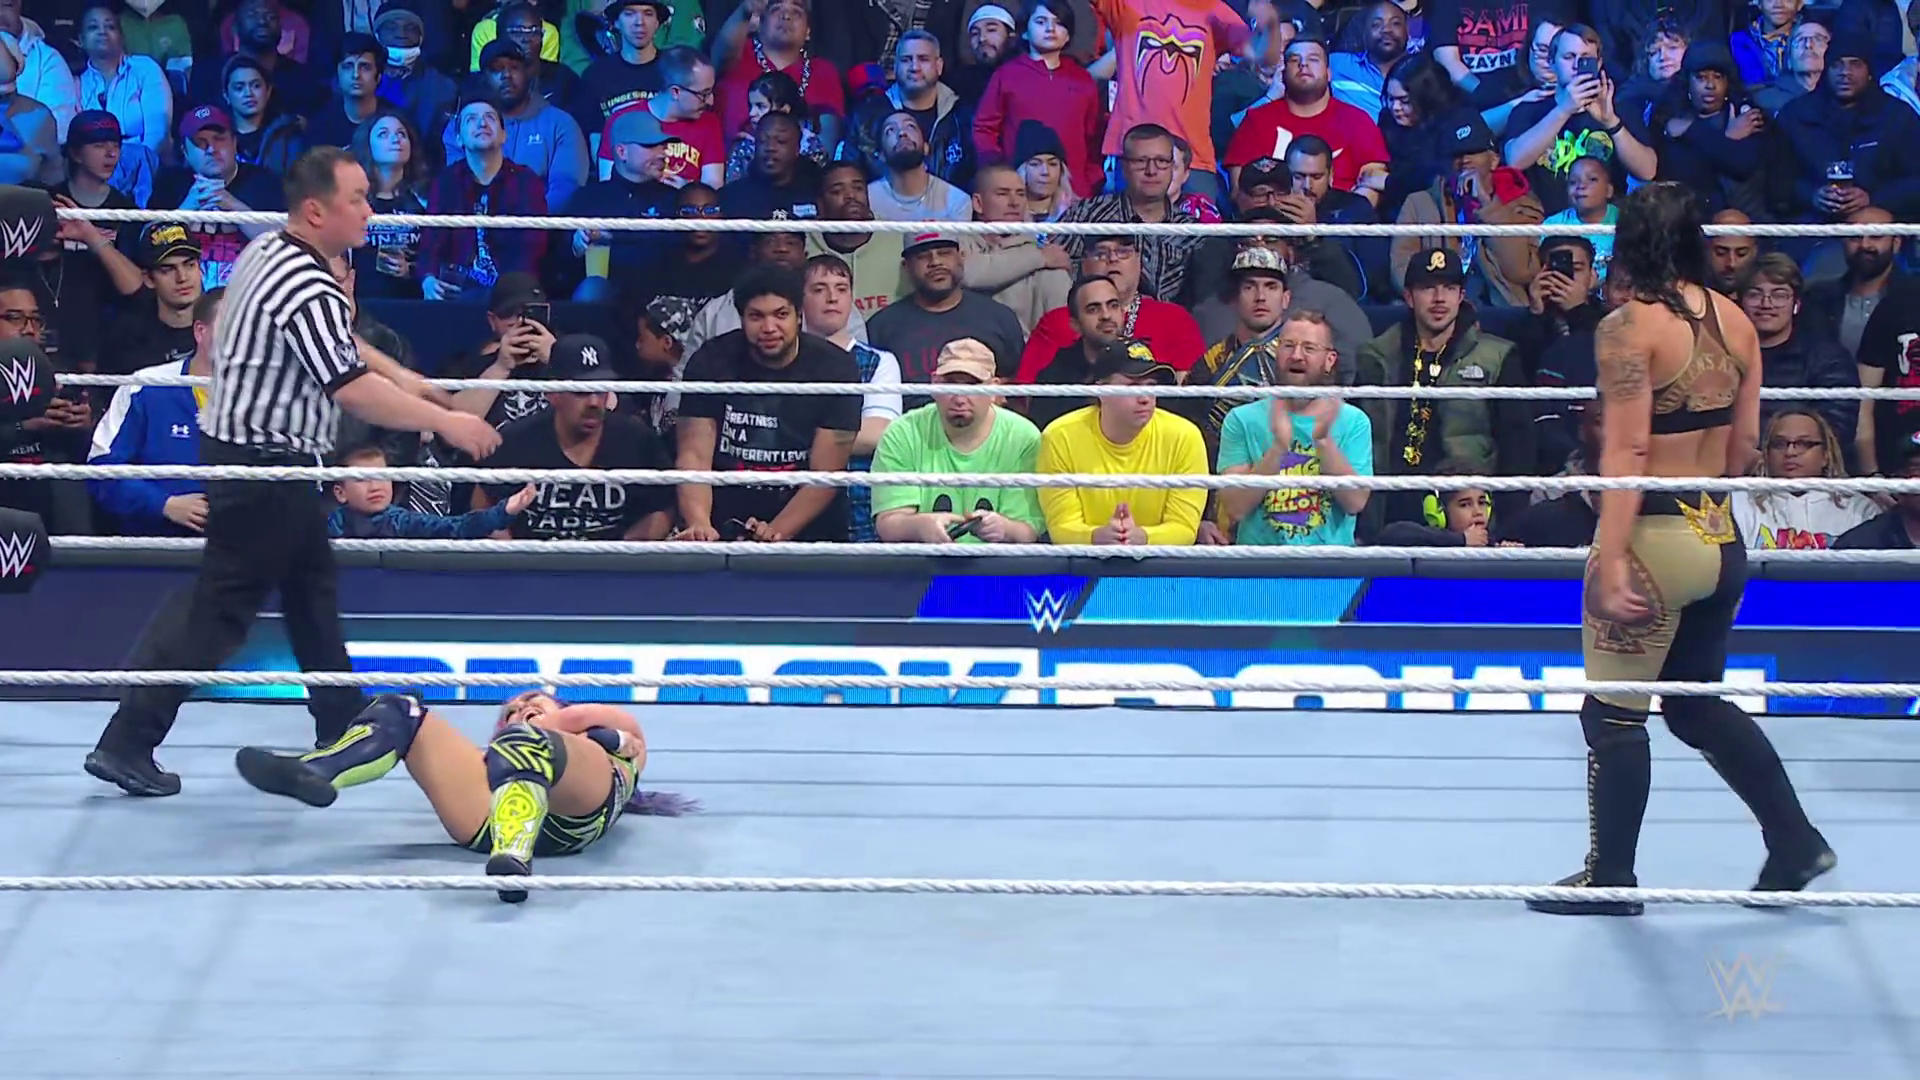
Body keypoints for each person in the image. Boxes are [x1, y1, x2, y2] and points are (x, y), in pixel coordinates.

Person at [84, 146, 505, 799]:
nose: (369, 211)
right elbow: (350, 386)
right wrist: (447, 421)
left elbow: (341, 342)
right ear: (315, 210)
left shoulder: (271, 252)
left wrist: (409, 379)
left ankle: (339, 725)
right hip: (263, 463)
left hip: (259, 459)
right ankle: (128, 740)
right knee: (221, 611)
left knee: (310, 594)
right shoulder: (303, 281)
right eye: (356, 199)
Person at [1528, 182, 1834, 918]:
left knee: (1613, 713)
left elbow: (1628, 449)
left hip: (1656, 539)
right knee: (1694, 708)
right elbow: (1745, 444)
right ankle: (1795, 842)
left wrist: (1612, 554)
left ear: (1629, 243)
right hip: (1718, 535)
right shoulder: (1737, 320)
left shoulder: (1628, 327)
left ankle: (1611, 877)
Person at [232, 691, 692, 902]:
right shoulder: (500, 751)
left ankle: (515, 855)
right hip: (490, 816)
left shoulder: (611, 739)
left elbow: (618, 731)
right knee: (400, 708)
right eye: (511, 709)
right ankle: (315, 772)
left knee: (525, 742)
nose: (519, 708)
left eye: (532, 700)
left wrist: (544, 720)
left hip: (578, 811)